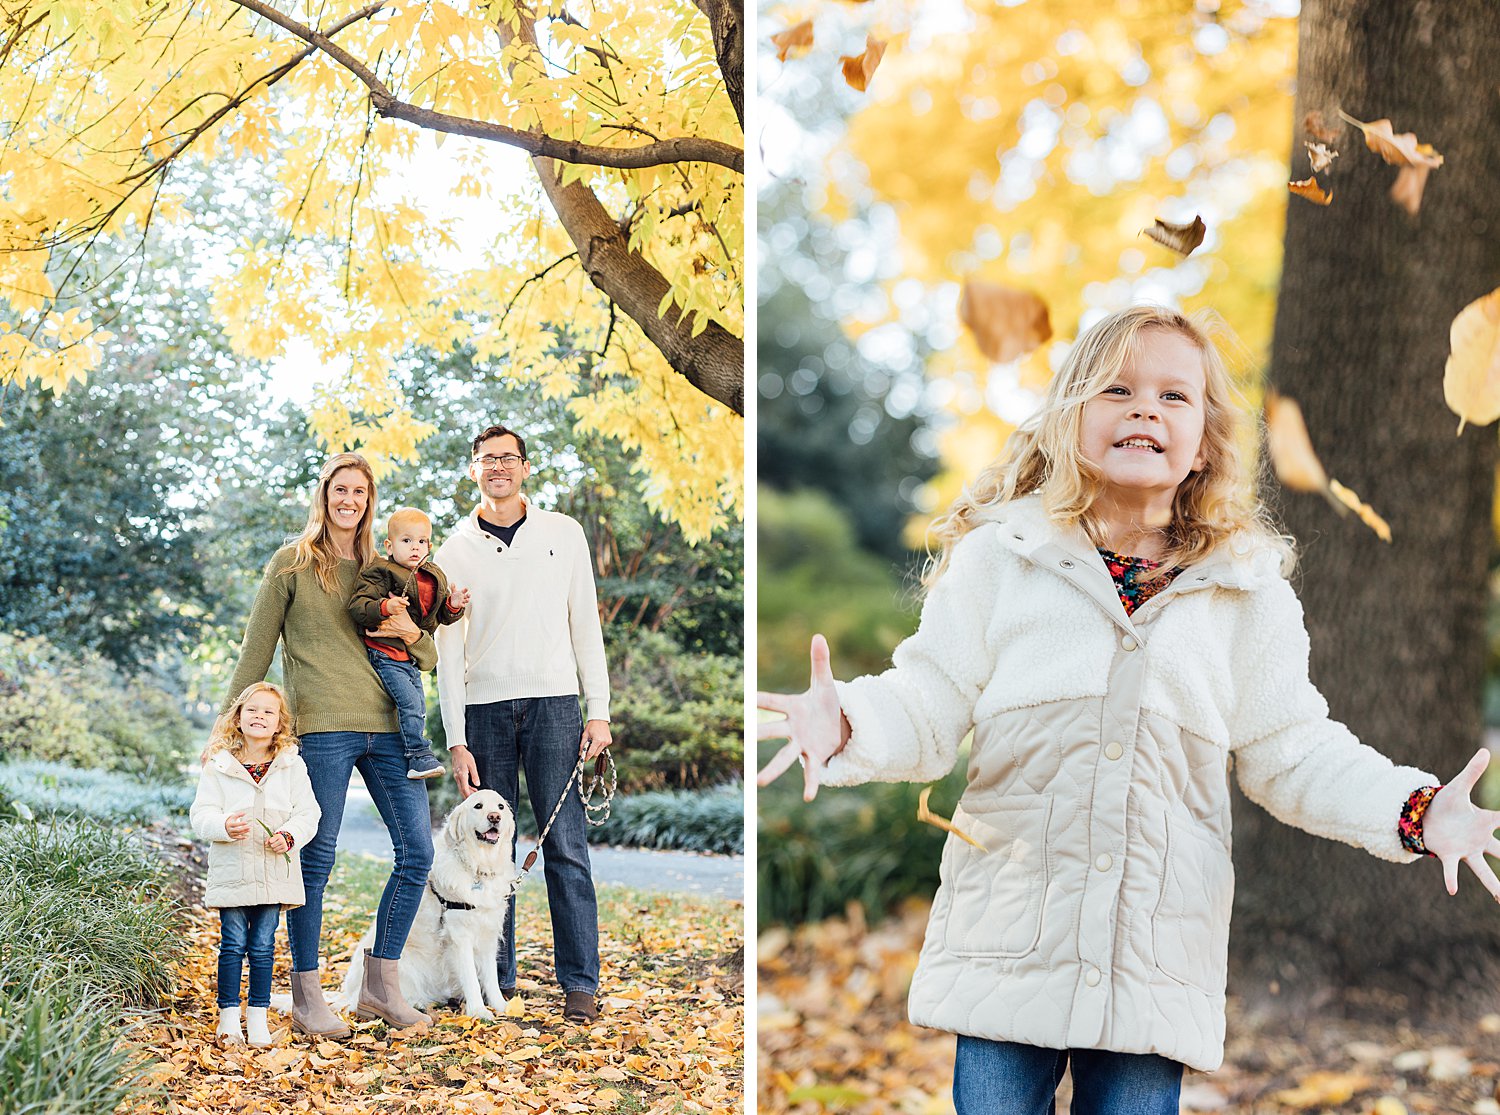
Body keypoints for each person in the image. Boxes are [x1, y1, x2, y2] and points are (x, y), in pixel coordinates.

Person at [756, 306, 1500, 1114]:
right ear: (1069, 418)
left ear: (1206, 443)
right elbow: (928, 700)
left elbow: (1294, 750)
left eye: (1174, 396)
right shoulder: (1003, 560)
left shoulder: (1247, 594)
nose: (1145, 407)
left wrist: (1414, 809)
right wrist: (847, 724)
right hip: (1010, 937)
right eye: (1117, 388)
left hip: (1156, 958)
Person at [224, 452, 436, 1037]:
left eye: (361, 493)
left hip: (390, 728)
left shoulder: (386, 569)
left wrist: (415, 631)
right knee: (315, 858)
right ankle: (307, 993)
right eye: (340, 490)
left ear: (370, 503)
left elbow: (426, 653)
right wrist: (228, 730)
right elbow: (256, 651)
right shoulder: (290, 565)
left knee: (418, 853)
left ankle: (380, 987)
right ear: (324, 495)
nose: (350, 501)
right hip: (321, 728)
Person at [434, 424, 613, 1025]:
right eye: (487, 460)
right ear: (473, 470)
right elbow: (450, 656)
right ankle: (497, 981)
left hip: (556, 705)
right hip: (484, 711)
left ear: (526, 468)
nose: (498, 468)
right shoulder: (452, 550)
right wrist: (455, 738)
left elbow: (585, 625)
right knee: (488, 851)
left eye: (508, 459)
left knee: (565, 846)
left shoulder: (564, 534)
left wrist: (600, 710)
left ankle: (579, 986)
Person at [190, 682, 320, 1048]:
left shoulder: (291, 765)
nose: (259, 716)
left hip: (274, 870)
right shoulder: (220, 765)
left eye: (268, 711)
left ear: (280, 723)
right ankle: (229, 1018)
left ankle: (257, 1017)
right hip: (233, 871)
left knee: (263, 945)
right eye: (252, 709)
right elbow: (201, 815)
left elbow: (309, 813)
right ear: (238, 717)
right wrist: (223, 826)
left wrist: (290, 836)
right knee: (232, 943)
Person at [348, 507, 471, 780]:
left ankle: (417, 753)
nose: (415, 547)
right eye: (407, 541)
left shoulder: (434, 574)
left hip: (411, 659)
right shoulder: (381, 571)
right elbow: (358, 606)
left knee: (417, 704)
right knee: (410, 704)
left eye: (422, 541)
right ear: (389, 546)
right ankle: (418, 754)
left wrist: (453, 606)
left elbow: (440, 617)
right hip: (385, 654)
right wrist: (384, 605)